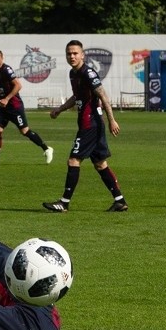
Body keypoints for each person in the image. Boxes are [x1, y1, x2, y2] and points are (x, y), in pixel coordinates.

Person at [43, 40, 127, 213]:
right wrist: (60, 109)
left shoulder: (88, 73)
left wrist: (112, 120)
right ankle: (120, 201)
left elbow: (103, 95)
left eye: (75, 53)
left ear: (82, 55)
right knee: (100, 164)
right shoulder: (73, 74)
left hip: (91, 124)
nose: (72, 56)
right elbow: (77, 97)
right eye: (69, 53)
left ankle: (64, 203)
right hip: (88, 123)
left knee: (73, 160)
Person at [0, 49, 52, 167]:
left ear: (2, 58)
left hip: (15, 106)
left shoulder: (6, 69)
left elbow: (18, 85)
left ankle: (46, 149)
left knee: (25, 131)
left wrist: (7, 98)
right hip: (4, 107)